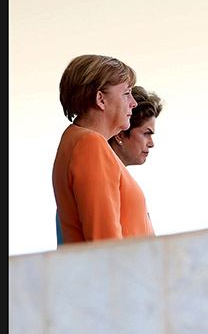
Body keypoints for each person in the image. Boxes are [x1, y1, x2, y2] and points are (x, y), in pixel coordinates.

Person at [52, 54, 155, 244]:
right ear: (100, 99)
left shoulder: (76, 140)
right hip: (117, 271)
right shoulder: (89, 144)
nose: (133, 102)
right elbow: (105, 242)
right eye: (126, 93)